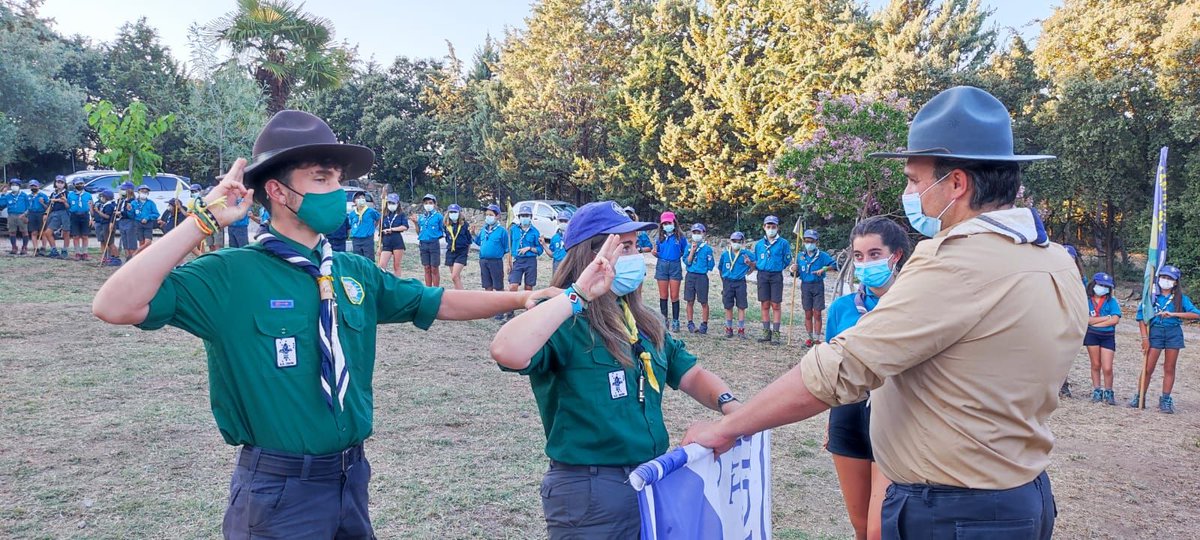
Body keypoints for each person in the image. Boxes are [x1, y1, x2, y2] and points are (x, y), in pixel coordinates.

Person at [91, 110, 558, 538]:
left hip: (350, 478)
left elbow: (437, 301)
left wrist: (522, 297)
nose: (337, 190)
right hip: (276, 491)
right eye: (321, 177)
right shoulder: (231, 274)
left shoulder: (351, 272)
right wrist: (203, 219)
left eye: (337, 178)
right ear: (276, 191)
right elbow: (115, 305)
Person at [683, 86, 1086, 540]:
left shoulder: (957, 259)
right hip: (1019, 497)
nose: (908, 191)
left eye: (915, 180)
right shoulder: (1054, 259)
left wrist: (730, 426)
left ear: (957, 184)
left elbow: (843, 366)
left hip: (953, 513)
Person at [490, 200, 742, 539]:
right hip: (590, 492)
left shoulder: (641, 319)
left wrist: (732, 407)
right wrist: (577, 294)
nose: (636, 257)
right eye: (624, 247)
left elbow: (690, 374)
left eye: (636, 246)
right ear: (590, 256)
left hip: (650, 481)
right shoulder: (563, 315)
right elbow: (506, 351)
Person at [823, 217, 911, 540]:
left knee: (879, 530)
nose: (865, 263)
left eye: (874, 254)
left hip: (894, 419)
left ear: (895, 256)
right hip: (847, 416)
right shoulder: (841, 309)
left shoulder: (912, 305)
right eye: (858, 256)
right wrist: (829, 421)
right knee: (861, 527)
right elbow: (832, 369)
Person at [1132, 264, 1200, 414]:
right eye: (1163, 277)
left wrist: (1175, 314)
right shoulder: (1151, 296)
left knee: (1169, 367)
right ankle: (1140, 395)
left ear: (1175, 282)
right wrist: (1144, 338)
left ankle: (1166, 399)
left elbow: (1196, 314)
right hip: (1155, 332)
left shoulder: (1180, 298)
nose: (1166, 281)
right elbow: (1141, 318)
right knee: (1148, 367)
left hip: (1173, 333)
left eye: (1170, 279)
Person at [789, 229, 837, 347]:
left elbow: (834, 264)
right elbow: (796, 273)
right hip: (805, 286)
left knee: (817, 313)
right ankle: (809, 338)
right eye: (806, 241)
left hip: (818, 286)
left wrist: (824, 269)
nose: (809, 243)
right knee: (808, 313)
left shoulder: (822, 256)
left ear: (817, 242)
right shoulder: (800, 256)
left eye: (811, 241)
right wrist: (792, 269)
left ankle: (817, 338)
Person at [753, 215, 792, 344]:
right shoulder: (759, 244)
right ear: (764, 227)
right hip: (762, 275)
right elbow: (756, 259)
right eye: (768, 227)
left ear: (777, 228)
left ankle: (776, 333)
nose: (771, 229)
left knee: (776, 304)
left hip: (776, 275)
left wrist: (778, 266)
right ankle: (766, 332)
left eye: (773, 227)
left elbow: (787, 260)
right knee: (764, 304)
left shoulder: (783, 243)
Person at [1085, 272, 1120, 405]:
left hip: (1107, 336)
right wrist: (1107, 317)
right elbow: (1086, 320)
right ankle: (1097, 390)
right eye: (1100, 285)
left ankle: (1109, 391)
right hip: (1091, 335)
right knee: (1095, 364)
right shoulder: (1087, 300)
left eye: (1106, 286)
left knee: (1107, 367)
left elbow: (1115, 319)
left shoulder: (1111, 301)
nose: (1102, 288)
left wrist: (1095, 322)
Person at [1060, 243, 1088, 397]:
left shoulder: (1080, 279)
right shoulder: (1052, 274)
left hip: (1072, 317)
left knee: (1067, 352)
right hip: (1054, 316)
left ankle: (1064, 383)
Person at [507, 204, 544, 318]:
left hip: (530, 261)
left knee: (528, 287)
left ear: (531, 217)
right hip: (517, 261)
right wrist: (508, 262)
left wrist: (529, 248)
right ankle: (510, 311)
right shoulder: (513, 230)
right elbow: (509, 246)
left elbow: (540, 249)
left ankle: (527, 314)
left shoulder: (535, 232)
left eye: (527, 215)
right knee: (513, 286)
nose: (524, 218)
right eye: (522, 215)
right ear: (519, 217)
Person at [474, 204, 510, 320]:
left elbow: (507, 248)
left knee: (498, 287)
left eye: (491, 215)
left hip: (496, 262)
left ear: (497, 216)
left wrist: (509, 263)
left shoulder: (502, 231)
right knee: (487, 286)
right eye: (487, 215)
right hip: (483, 261)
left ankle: (500, 311)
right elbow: (479, 242)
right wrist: (473, 233)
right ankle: (490, 310)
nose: (488, 217)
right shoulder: (484, 230)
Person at [652, 211, 686, 331]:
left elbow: (684, 251)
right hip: (662, 265)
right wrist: (655, 254)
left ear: (674, 223)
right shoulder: (659, 238)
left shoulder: (680, 238)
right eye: (664, 223)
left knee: (674, 295)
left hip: (675, 265)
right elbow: (658, 252)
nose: (667, 225)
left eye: (669, 223)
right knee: (663, 295)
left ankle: (676, 321)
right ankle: (664, 319)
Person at [719, 231, 754, 339]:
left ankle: (741, 329)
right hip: (728, 282)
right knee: (728, 305)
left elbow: (755, 266)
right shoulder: (725, 254)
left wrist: (750, 264)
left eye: (739, 241)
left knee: (741, 306)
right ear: (730, 241)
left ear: (742, 242)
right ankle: (729, 328)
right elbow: (720, 268)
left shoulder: (746, 254)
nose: (736, 243)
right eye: (734, 241)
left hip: (740, 282)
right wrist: (723, 281)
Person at [682, 223, 715, 334]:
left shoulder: (707, 249)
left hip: (702, 277)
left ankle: (704, 324)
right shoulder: (688, 247)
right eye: (694, 232)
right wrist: (692, 250)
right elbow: (687, 261)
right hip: (690, 275)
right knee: (690, 300)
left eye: (699, 233)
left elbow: (711, 265)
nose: (696, 235)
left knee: (703, 301)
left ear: (703, 234)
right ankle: (690, 323)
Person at [414, 194, 444, 287]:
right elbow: (419, 232)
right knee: (426, 267)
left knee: (434, 268)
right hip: (423, 244)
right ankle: (428, 289)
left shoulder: (439, 217)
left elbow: (443, 230)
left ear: (435, 204)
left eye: (430, 203)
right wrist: (415, 224)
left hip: (434, 243)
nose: (428, 205)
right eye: (426, 203)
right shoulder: (422, 217)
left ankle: (435, 289)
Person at [378, 193, 407, 276]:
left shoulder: (401, 214)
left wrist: (392, 229)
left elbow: (405, 226)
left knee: (396, 265)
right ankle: (383, 284)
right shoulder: (383, 215)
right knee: (381, 265)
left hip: (397, 241)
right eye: (389, 203)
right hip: (386, 242)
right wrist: (379, 246)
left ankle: (397, 284)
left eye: (393, 203)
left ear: (397, 204)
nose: (391, 205)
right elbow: (380, 231)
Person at [444, 203, 472, 290]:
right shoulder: (446, 225)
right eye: (451, 212)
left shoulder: (465, 225)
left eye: (455, 212)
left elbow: (469, 240)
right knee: (456, 278)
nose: (453, 214)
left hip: (461, 252)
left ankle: (462, 298)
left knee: (454, 276)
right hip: (451, 251)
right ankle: (458, 296)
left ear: (459, 213)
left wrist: (466, 253)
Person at [1, 179, 31, 255]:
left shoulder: (24, 195)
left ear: (19, 186)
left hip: (22, 215)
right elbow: (1, 205)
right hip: (11, 215)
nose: (14, 186)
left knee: (24, 232)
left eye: (16, 185)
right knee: (12, 232)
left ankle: (24, 247)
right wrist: (3, 194)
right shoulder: (8, 196)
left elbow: (29, 207)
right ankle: (14, 247)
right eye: (12, 185)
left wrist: (25, 215)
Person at [347, 192, 380, 260]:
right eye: (358, 198)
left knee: (369, 259)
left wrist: (373, 227)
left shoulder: (371, 211)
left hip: (367, 238)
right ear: (354, 201)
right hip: (356, 239)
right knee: (358, 260)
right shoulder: (352, 214)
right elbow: (351, 225)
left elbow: (378, 218)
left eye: (363, 198)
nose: (361, 199)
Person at [91, 189, 121, 266]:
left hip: (107, 225)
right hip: (105, 225)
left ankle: (117, 258)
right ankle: (111, 257)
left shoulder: (109, 205)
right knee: (107, 242)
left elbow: (107, 216)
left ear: (106, 197)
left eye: (102, 197)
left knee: (110, 242)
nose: (101, 198)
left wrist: (98, 211)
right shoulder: (108, 204)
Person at [67, 178, 94, 260]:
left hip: (85, 216)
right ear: (74, 185)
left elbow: (91, 207)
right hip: (74, 216)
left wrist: (92, 218)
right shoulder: (70, 195)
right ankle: (77, 253)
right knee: (76, 236)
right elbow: (68, 206)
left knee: (85, 235)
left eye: (81, 183)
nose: (80, 185)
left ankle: (85, 252)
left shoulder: (88, 195)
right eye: (77, 184)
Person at [45, 176, 71, 258]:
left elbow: (68, 206)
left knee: (66, 232)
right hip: (54, 214)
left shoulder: (67, 193)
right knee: (48, 232)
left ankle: (65, 251)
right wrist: (46, 214)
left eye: (61, 182)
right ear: (55, 183)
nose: (59, 184)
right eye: (58, 182)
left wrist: (64, 201)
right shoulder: (53, 194)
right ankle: (54, 250)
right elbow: (50, 206)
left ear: (64, 184)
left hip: (65, 213)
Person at [132, 184, 160, 253]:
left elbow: (156, 214)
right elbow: (131, 215)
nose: (144, 193)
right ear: (138, 192)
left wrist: (147, 218)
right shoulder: (134, 203)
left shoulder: (150, 203)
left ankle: (136, 253)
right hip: (138, 223)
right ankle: (142, 256)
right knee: (141, 242)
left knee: (148, 242)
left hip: (148, 224)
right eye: (142, 191)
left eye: (146, 192)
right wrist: (129, 210)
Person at [115, 182, 138, 261]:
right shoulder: (121, 200)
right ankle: (127, 256)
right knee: (124, 240)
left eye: (123, 189)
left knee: (131, 240)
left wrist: (121, 213)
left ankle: (133, 257)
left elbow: (131, 213)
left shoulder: (133, 201)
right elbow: (118, 209)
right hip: (121, 221)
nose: (122, 191)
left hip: (130, 221)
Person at [26, 180, 49, 257]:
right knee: (33, 232)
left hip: (41, 214)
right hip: (32, 214)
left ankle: (44, 248)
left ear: (38, 186)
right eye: (32, 186)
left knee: (43, 232)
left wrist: (42, 203)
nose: (33, 187)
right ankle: (36, 248)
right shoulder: (28, 196)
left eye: (35, 186)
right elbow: (27, 208)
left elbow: (48, 207)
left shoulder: (43, 196)